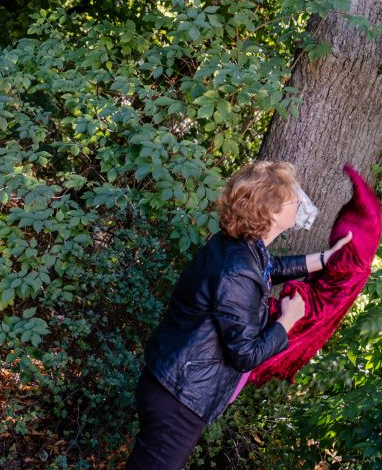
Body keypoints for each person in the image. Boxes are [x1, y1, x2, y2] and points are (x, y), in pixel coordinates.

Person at [125, 160, 352, 469]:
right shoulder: (238, 271)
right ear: (271, 212)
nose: (298, 200)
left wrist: (324, 259)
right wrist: (287, 321)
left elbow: (268, 271)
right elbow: (246, 354)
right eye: (291, 198)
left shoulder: (240, 248)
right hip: (179, 400)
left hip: (170, 383)